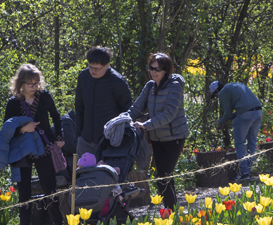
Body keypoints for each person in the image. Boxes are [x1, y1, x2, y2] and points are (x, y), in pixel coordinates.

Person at [4, 64, 65, 225]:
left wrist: (59, 137)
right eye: (30, 83)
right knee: (24, 194)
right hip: (22, 151)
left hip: (44, 148)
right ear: (20, 83)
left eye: (36, 83)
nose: (34, 86)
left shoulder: (44, 97)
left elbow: (56, 116)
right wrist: (23, 129)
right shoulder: (13, 103)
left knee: (50, 189)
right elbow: (6, 129)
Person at [129, 53, 188, 209]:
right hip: (157, 138)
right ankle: (174, 211)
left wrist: (145, 125)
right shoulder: (150, 86)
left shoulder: (175, 87)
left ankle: (170, 211)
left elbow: (169, 114)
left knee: (162, 177)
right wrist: (122, 119)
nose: (153, 72)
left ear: (166, 70)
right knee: (166, 176)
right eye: (151, 68)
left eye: (157, 69)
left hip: (174, 137)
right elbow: (136, 107)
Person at [73, 47, 132, 157]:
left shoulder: (118, 81)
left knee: (104, 174)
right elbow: (79, 107)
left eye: (97, 68)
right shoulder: (83, 77)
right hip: (85, 140)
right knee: (82, 173)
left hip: (108, 142)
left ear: (107, 65)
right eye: (90, 67)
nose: (92, 71)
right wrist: (78, 136)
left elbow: (127, 112)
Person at [209, 80, 263, 182]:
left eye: (215, 94)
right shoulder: (237, 85)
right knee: (252, 142)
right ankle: (248, 170)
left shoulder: (223, 92)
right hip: (258, 112)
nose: (217, 96)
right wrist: (230, 118)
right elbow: (240, 110)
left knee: (239, 143)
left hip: (245, 115)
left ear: (216, 90)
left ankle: (244, 173)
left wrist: (220, 122)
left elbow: (228, 114)